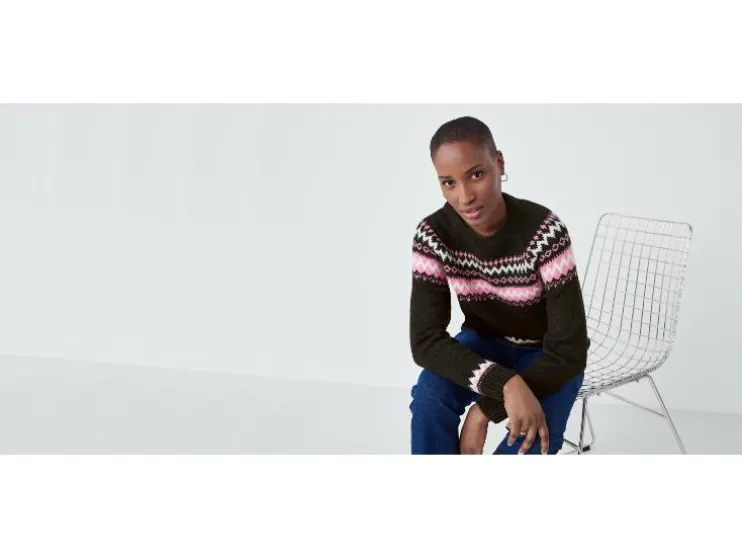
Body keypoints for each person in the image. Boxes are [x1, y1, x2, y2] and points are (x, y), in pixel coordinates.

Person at [409, 116, 590, 455]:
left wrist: (484, 410)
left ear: (499, 163)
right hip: (484, 345)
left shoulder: (544, 233)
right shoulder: (432, 236)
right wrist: (505, 383)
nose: (465, 197)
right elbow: (425, 342)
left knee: (530, 439)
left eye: (476, 175)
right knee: (429, 399)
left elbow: (569, 348)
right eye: (449, 183)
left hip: (549, 357)